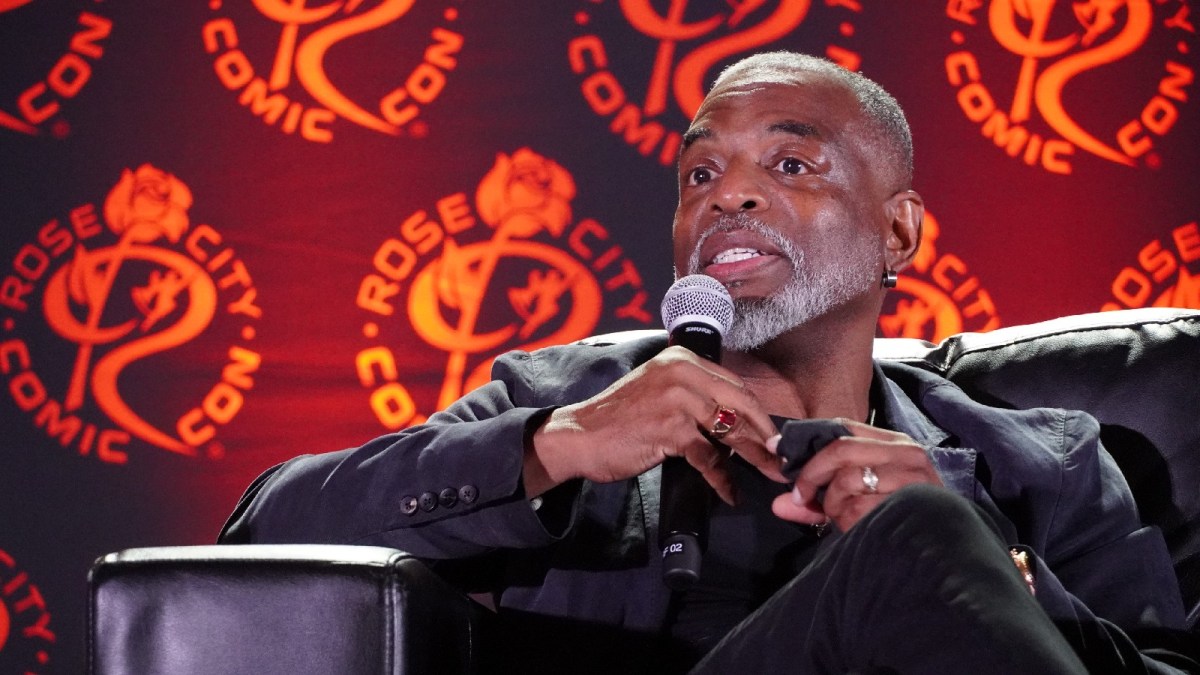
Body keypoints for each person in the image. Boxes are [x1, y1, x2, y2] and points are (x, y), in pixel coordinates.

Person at [220, 52, 1193, 673]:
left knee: (924, 532)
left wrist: (993, 560)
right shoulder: (556, 405)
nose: (729, 197)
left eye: (789, 164)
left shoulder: (1043, 463)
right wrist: (556, 449)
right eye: (699, 174)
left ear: (899, 231)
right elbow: (259, 540)